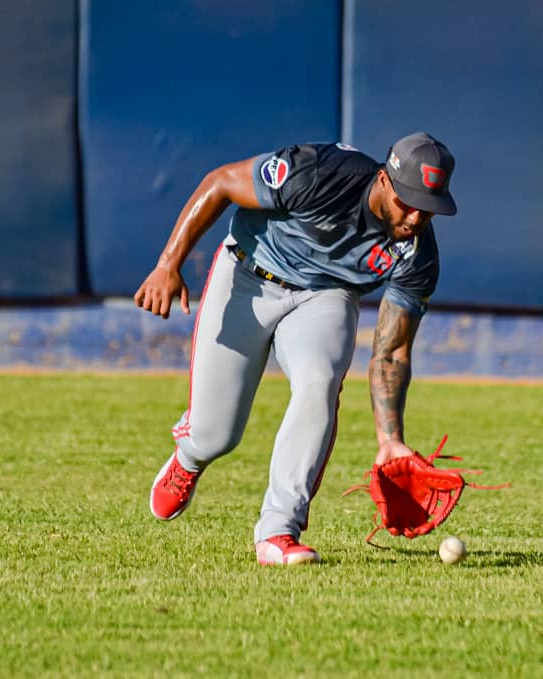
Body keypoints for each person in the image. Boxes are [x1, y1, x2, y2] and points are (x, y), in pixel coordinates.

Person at [134, 132, 457, 566]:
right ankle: (190, 457)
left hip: (327, 296)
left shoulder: (417, 254)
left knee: (320, 382)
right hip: (250, 274)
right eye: (409, 200)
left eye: (429, 207)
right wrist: (168, 263)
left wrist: (390, 440)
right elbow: (221, 183)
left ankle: (278, 531)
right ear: (384, 180)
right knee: (216, 434)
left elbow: (392, 350)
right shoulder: (320, 172)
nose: (417, 217)